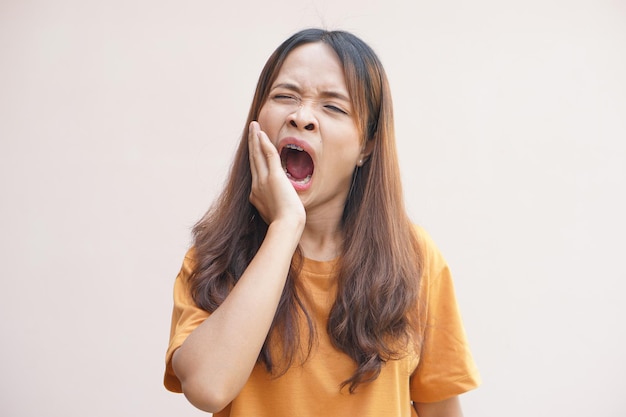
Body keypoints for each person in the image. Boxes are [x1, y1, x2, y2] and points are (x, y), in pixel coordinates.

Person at [164, 28, 480, 417]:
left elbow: (440, 408)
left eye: (333, 107)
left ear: (366, 146)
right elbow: (208, 388)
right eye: (284, 96)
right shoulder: (214, 257)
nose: (301, 117)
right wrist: (284, 227)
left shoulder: (414, 258)